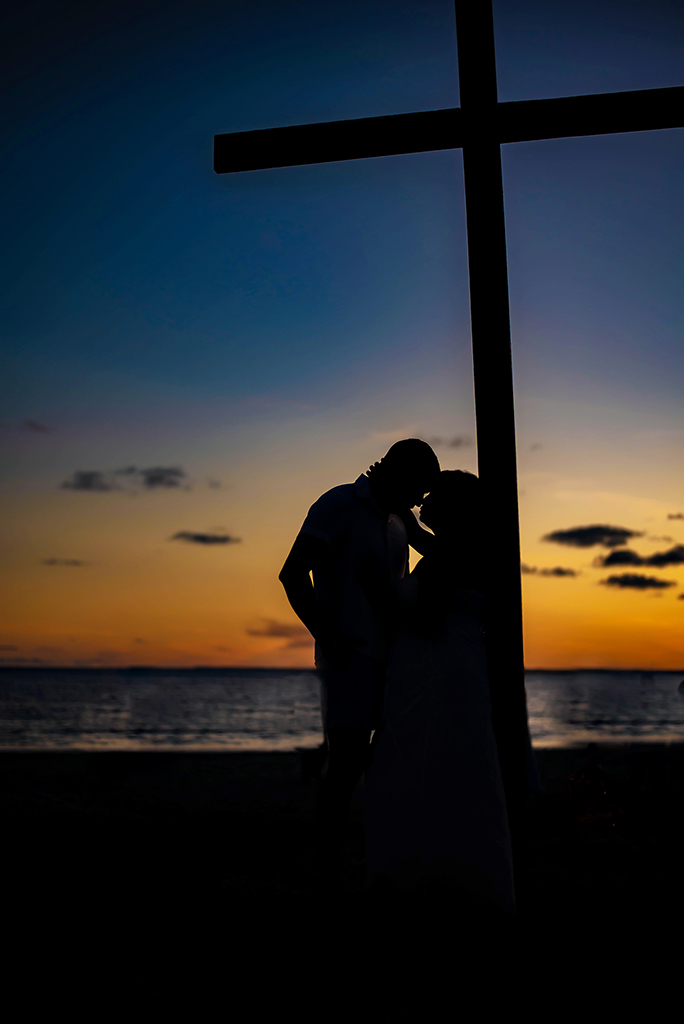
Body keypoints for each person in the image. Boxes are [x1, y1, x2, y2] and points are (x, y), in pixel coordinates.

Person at [278, 439, 440, 886]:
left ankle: (378, 852)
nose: (418, 501)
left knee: (387, 762)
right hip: (350, 657)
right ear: (398, 475)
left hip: (396, 661)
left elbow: (438, 554)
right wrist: (326, 634)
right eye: (417, 490)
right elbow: (292, 573)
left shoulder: (398, 520)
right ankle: (328, 865)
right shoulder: (339, 504)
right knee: (346, 765)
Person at [362, 469, 516, 918]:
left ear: (451, 508)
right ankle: (456, 877)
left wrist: (377, 593)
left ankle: (421, 882)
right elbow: (426, 542)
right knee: (459, 767)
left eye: (433, 496)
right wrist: (400, 509)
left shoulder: (448, 556)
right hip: (459, 668)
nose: (423, 501)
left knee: (417, 768)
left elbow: (427, 623)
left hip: (434, 671)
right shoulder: (469, 550)